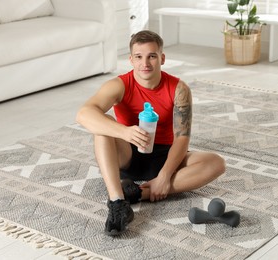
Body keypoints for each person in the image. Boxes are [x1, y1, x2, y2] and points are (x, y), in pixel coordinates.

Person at [76, 30, 225, 236]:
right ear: (131, 59)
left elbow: (182, 137)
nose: (145, 63)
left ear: (162, 58)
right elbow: (84, 114)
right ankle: (117, 202)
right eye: (139, 57)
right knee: (101, 127)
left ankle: (137, 194)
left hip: (165, 157)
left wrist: (164, 176)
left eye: (152, 56)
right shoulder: (119, 85)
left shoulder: (179, 88)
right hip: (128, 154)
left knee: (216, 163)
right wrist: (125, 132)